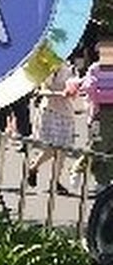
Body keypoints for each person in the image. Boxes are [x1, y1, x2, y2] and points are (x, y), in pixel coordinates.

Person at [26, 61, 77, 195]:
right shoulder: (50, 67)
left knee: (63, 150)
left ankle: (55, 182)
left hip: (67, 112)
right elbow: (40, 91)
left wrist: (76, 91)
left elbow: (75, 88)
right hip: (50, 111)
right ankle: (33, 167)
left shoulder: (70, 67)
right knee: (52, 148)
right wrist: (60, 94)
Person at [74, 37, 113, 188]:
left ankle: (103, 182)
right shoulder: (96, 68)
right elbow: (88, 87)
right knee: (98, 144)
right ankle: (79, 166)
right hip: (101, 112)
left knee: (110, 149)